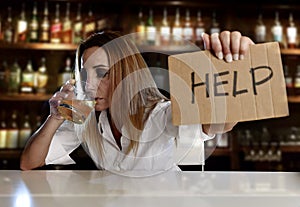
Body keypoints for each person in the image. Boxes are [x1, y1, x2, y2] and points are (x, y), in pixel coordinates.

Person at [20, 30, 254, 173]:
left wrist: (233, 64)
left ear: (127, 74)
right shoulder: (87, 117)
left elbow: (219, 124)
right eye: (85, 75)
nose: (89, 85)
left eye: (102, 73)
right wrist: (55, 117)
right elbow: (29, 163)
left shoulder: (159, 113)